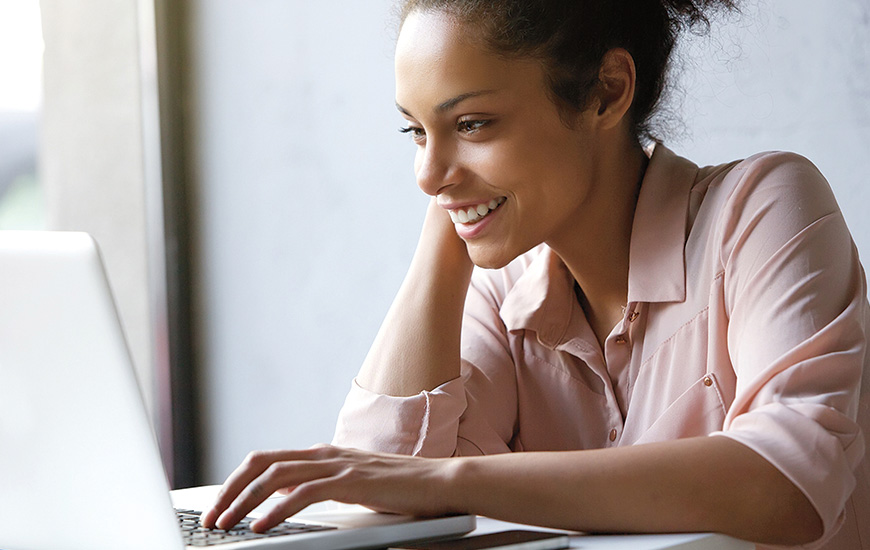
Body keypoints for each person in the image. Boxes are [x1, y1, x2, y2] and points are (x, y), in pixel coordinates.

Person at [201, 1, 870, 548]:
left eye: (473, 123)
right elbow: (386, 495)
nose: (426, 173)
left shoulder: (762, 207)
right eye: (415, 132)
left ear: (608, 91)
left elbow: (788, 484)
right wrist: (452, 212)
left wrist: (454, 481)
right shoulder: (499, 292)